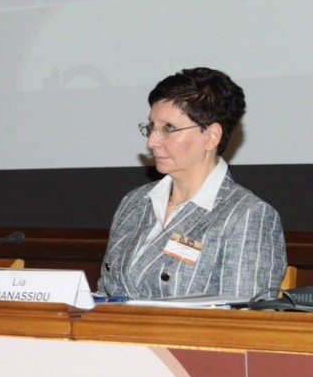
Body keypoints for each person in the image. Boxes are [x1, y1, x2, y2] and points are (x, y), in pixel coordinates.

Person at [97, 68, 285, 300]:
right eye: (152, 127)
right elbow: (104, 294)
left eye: (168, 128)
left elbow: (243, 316)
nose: (152, 141)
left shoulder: (247, 215)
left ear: (211, 136)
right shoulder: (135, 202)